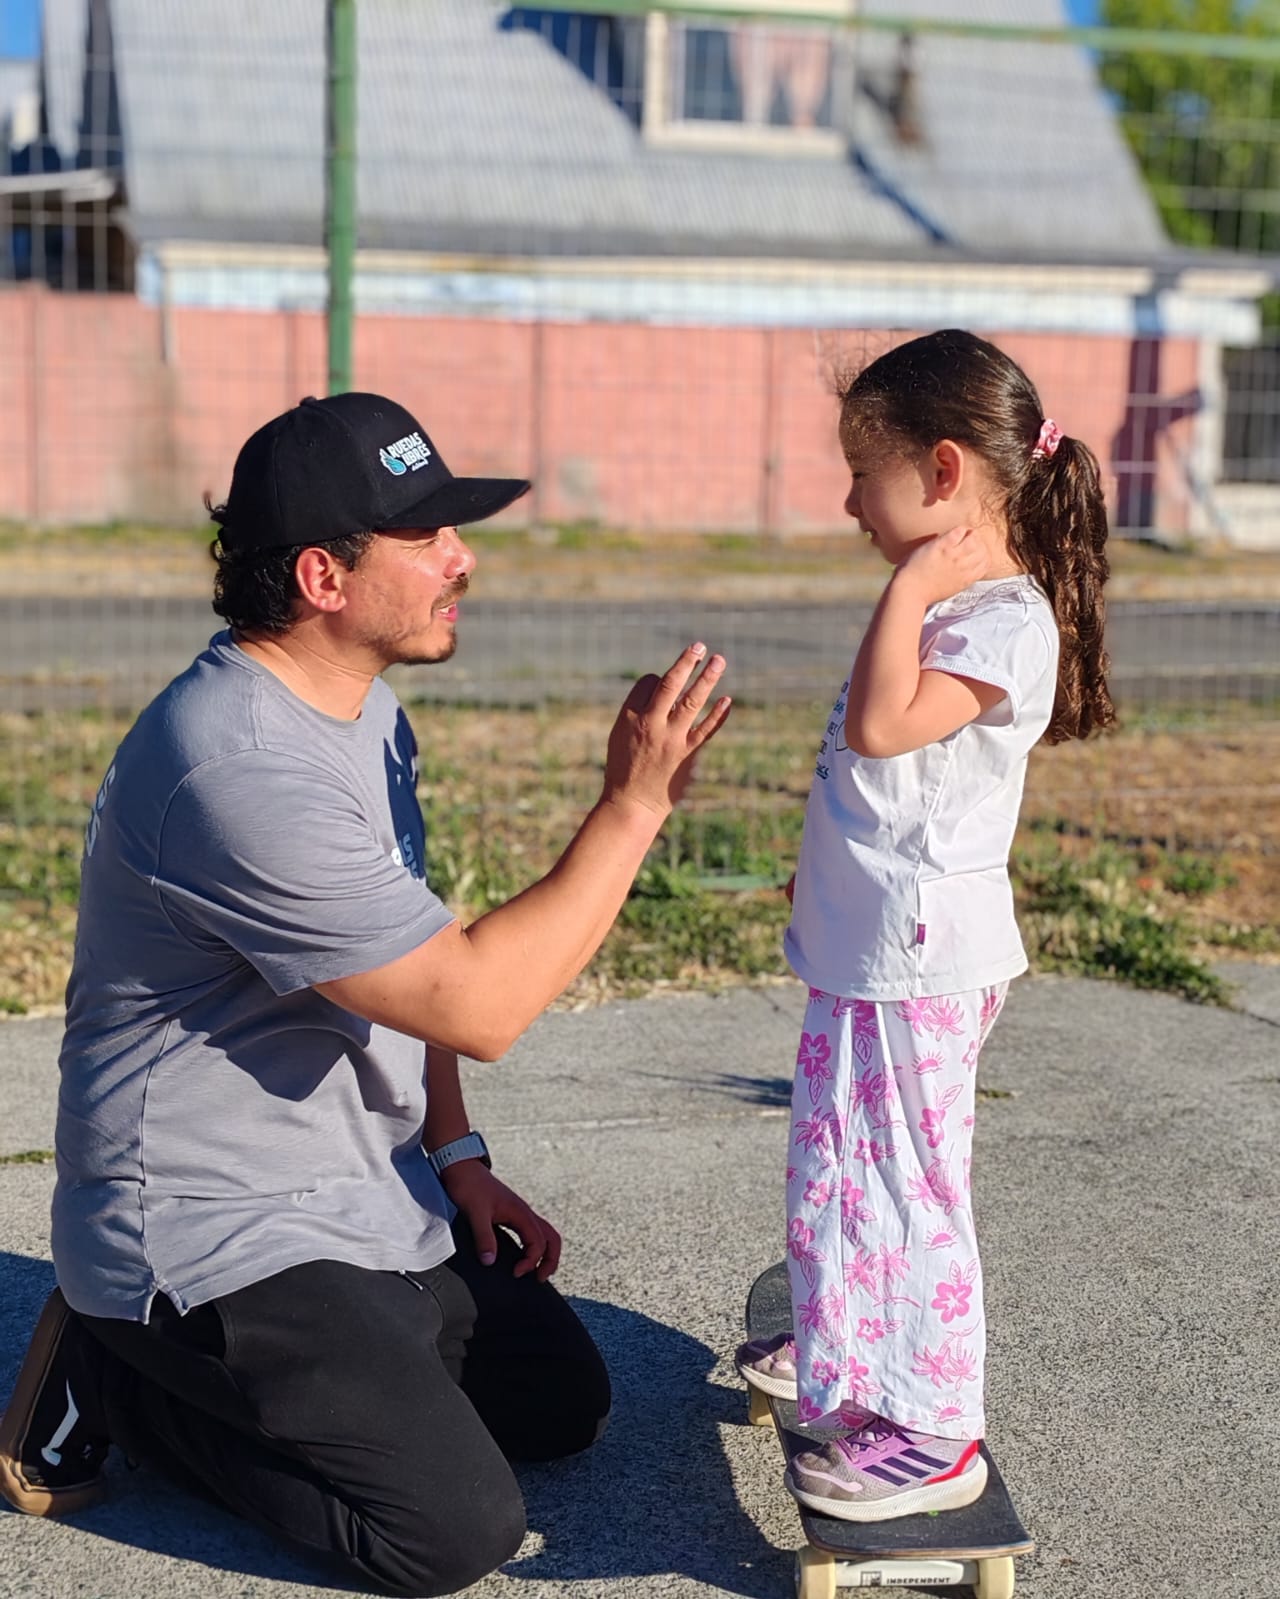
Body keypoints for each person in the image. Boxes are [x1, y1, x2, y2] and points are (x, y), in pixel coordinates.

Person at [0, 392, 730, 1596]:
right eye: (426, 535)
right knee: (450, 1533)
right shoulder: (236, 764)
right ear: (322, 577)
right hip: (212, 1227)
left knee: (557, 1404)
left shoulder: (359, 711)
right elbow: (478, 1002)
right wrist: (633, 805)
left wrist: (459, 1158)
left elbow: (417, 951)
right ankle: (125, 1372)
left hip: (348, 1190)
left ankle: (229, 1362)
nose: (463, 558)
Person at [734, 329, 1114, 1521]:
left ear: (941, 472)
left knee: (905, 1185)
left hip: (919, 962)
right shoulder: (956, 602)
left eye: (862, 470)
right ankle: (847, 1342)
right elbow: (870, 775)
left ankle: (935, 1426)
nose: (847, 497)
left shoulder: (999, 620)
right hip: (868, 949)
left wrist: (906, 584)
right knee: (840, 1161)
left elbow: (882, 730)